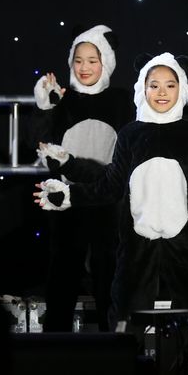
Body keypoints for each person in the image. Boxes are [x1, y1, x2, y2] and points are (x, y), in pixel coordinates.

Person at [34, 53, 188, 328]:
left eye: (170, 85)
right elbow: (110, 186)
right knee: (126, 315)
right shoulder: (130, 134)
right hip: (136, 244)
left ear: (181, 89)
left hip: (183, 243)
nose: (162, 92)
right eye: (154, 85)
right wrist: (69, 195)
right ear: (143, 88)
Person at [30, 25, 131, 332]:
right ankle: (56, 340)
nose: (84, 67)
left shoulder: (120, 100)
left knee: (107, 266)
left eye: (92, 60)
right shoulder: (63, 99)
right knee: (63, 267)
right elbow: (42, 145)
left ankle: (113, 339)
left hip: (107, 198)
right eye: (78, 60)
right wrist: (45, 108)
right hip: (67, 198)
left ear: (106, 62)